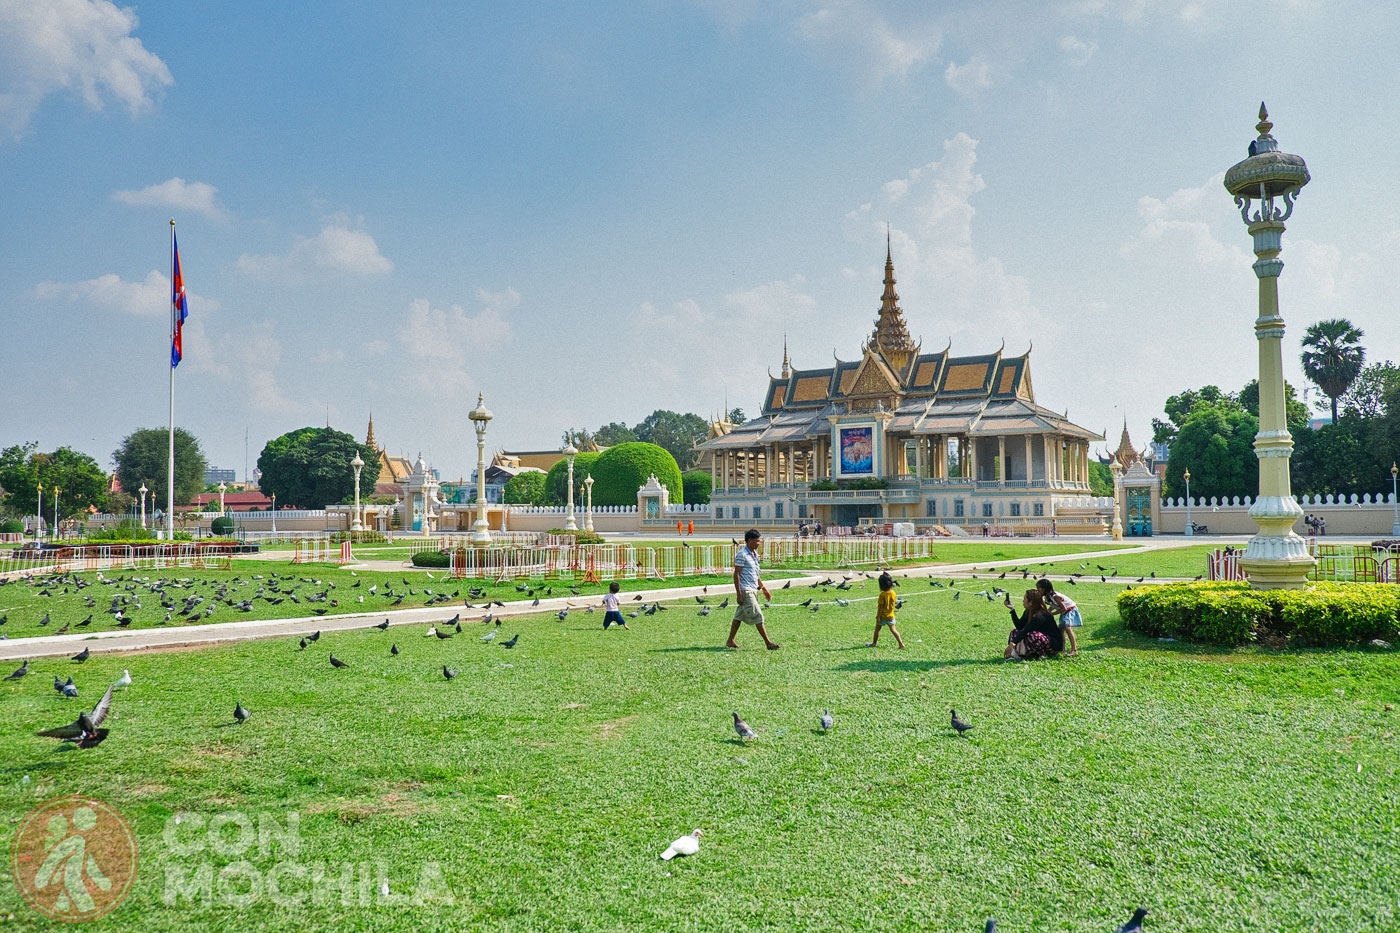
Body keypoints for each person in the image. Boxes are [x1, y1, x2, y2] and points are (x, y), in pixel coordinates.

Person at [726, 529, 778, 650]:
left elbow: (755, 574)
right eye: (757, 541)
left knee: (739, 616)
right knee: (757, 615)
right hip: (746, 590)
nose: (759, 543)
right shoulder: (742, 554)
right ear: (749, 540)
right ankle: (768, 642)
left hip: (753, 589)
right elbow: (736, 574)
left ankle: (730, 640)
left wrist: (764, 589)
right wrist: (739, 593)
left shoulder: (754, 555)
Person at [1003, 588, 1062, 660]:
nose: (1023, 601)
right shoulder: (1029, 611)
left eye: (1024, 599)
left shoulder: (1040, 615)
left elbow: (1026, 630)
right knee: (1015, 632)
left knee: (1033, 635)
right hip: (1038, 637)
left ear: (1030, 602)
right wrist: (1012, 610)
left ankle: (1040, 654)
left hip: (1052, 645)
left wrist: (1012, 644)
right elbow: (1019, 626)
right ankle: (1017, 654)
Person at [1036, 578, 1081, 657]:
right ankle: (1062, 649)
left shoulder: (1055, 596)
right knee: (1061, 630)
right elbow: (1054, 605)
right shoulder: (1048, 597)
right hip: (1064, 612)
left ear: (1044, 588)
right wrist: (1047, 611)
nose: (1038, 590)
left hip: (1070, 610)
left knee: (1068, 628)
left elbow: (1064, 608)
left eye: (1039, 588)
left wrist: (1053, 614)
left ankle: (1074, 650)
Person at [867, 572, 906, 648]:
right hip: (891, 616)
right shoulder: (893, 593)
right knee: (894, 630)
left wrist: (878, 617)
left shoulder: (882, 595)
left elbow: (880, 607)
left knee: (877, 630)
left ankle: (874, 643)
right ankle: (901, 644)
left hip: (882, 617)